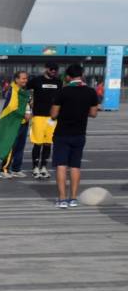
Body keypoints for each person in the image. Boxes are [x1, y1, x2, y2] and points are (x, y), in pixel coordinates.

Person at [51, 64, 100, 208]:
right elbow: (94, 113)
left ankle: (62, 199)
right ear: (82, 75)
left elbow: (53, 114)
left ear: (68, 77)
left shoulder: (63, 91)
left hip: (62, 133)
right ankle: (73, 198)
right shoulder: (91, 92)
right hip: (79, 133)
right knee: (75, 166)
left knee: (61, 165)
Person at [28, 62, 61, 179]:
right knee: (38, 143)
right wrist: (29, 104)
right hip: (38, 116)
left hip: (52, 118)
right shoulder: (36, 80)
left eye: (55, 69)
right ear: (46, 69)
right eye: (51, 69)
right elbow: (25, 90)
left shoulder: (58, 82)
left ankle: (43, 167)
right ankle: (35, 167)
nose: (53, 71)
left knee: (48, 143)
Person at [0, 71, 31, 178]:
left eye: (26, 78)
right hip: (13, 122)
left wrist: (29, 110)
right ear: (16, 79)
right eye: (23, 78)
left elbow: (27, 104)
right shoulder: (13, 90)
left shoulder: (24, 91)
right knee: (10, 145)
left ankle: (16, 169)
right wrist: (24, 114)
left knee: (20, 147)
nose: (25, 80)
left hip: (23, 123)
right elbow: (12, 107)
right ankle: (4, 170)